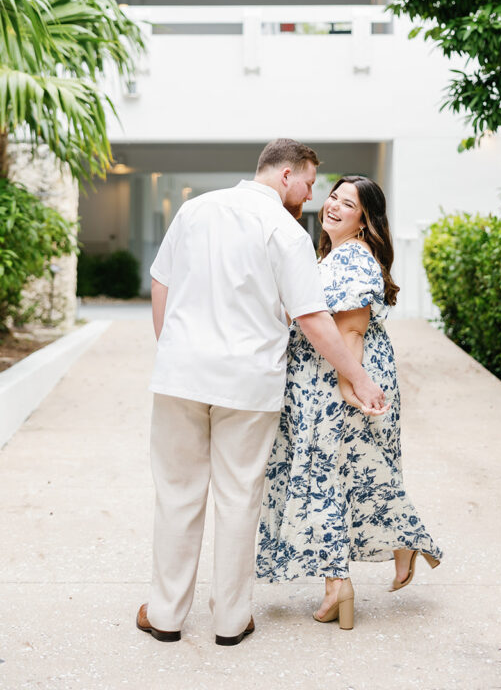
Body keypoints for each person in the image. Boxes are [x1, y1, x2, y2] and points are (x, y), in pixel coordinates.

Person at [136, 140, 386, 647]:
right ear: (288, 174)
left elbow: (160, 283)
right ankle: (230, 621)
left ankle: (164, 616)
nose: (313, 195)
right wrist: (358, 376)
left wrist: (173, 348)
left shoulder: (194, 209)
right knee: (238, 498)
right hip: (248, 384)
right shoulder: (284, 231)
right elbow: (312, 317)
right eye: (312, 183)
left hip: (181, 374)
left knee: (177, 495)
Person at [257, 175, 442, 629]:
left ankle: (340, 582)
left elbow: (353, 328)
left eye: (348, 204)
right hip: (323, 382)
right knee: (351, 473)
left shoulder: (354, 258)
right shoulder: (332, 255)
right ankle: (395, 545)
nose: (334, 207)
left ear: (365, 220)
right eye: (333, 197)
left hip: (337, 382)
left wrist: (349, 385)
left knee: (326, 478)